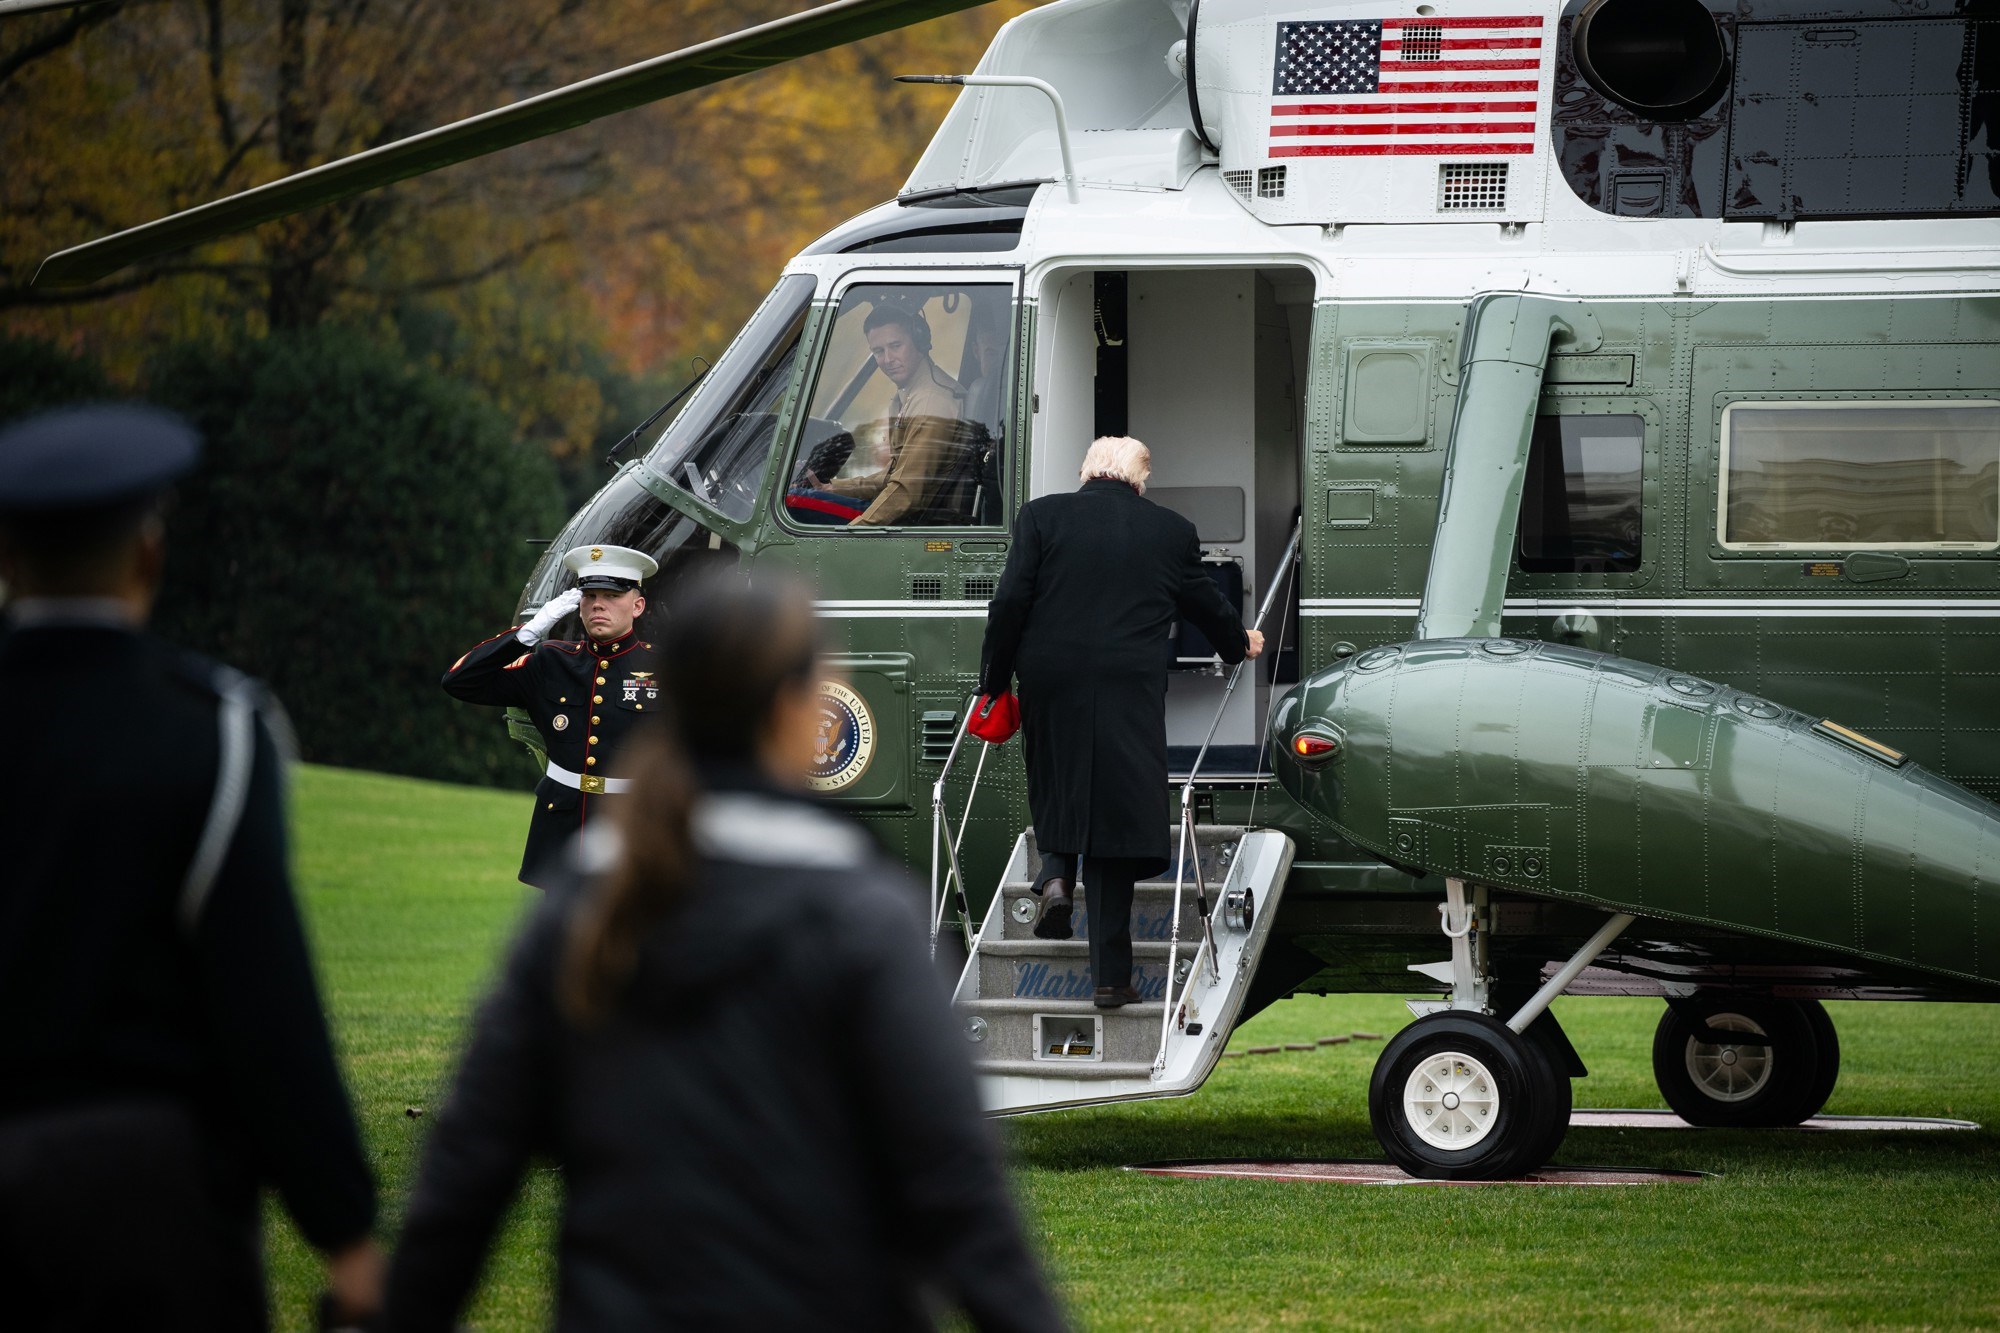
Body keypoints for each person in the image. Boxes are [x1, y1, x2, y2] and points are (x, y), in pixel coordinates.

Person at [383, 570, 1065, 1332]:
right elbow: (957, 1187)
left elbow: (468, 1170)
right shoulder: (868, 915)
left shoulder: (584, 906)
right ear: (793, 708)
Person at [0, 405, 380, 1330]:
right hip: (152, 1195)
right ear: (148, 555)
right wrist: (344, 1231)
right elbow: (263, 999)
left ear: (7, 557)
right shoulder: (215, 729)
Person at [978, 436, 1264, 1009]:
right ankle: (1111, 979)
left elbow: (1009, 603)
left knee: (1056, 778)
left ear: (1087, 471)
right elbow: (1205, 603)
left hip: (1051, 676)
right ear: (1141, 479)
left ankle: (1057, 876)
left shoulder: (1041, 517)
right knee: (1114, 822)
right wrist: (1240, 643)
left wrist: (993, 681)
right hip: (1127, 685)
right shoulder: (1170, 530)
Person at [443, 544, 662, 890]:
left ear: (637, 606)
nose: (598, 605)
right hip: (560, 824)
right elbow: (460, 681)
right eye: (589, 596)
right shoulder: (551, 662)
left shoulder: (664, 668)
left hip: (631, 821)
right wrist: (528, 633)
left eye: (611, 595)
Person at [797, 303, 972, 526]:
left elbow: (906, 491)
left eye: (895, 346)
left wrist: (854, 532)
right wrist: (833, 488)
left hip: (915, 523)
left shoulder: (930, 402)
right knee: (803, 497)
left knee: (794, 502)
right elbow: (893, 475)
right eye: (879, 351)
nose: (888, 359)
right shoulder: (910, 395)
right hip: (909, 515)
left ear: (919, 342)